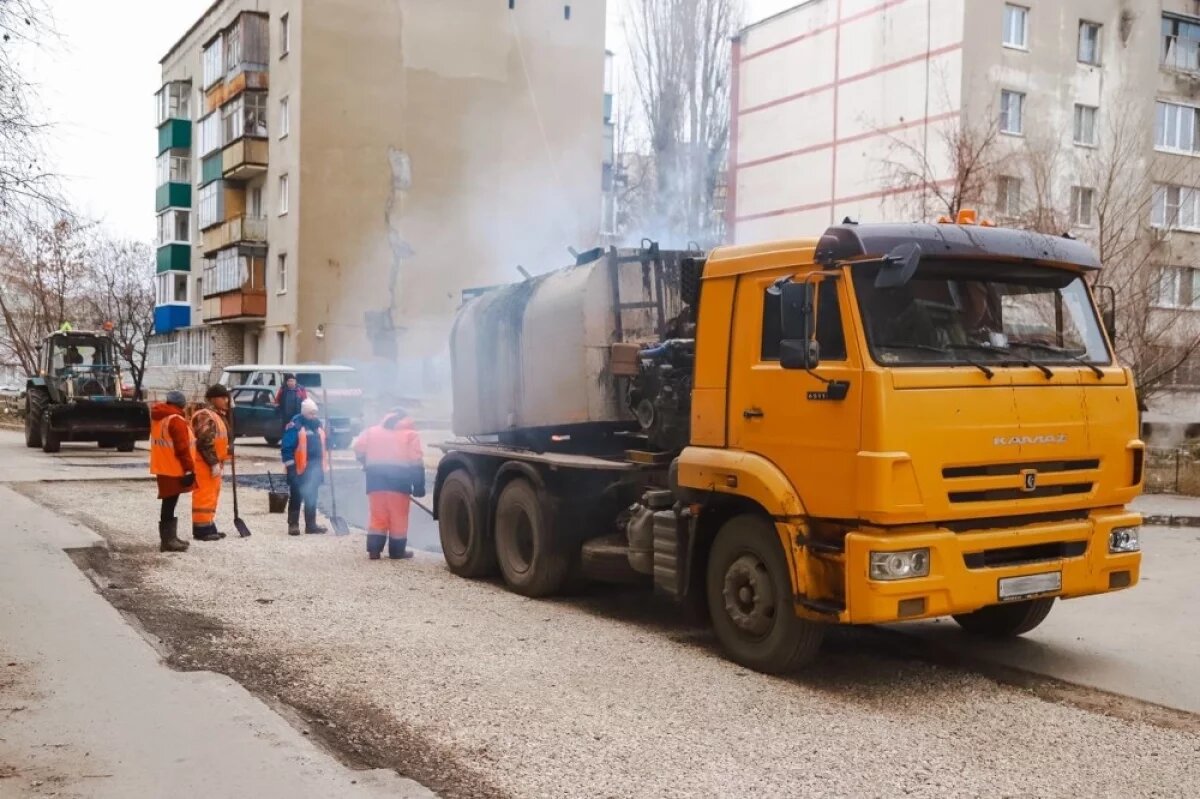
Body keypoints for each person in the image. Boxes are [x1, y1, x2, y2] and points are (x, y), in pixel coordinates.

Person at [351, 408, 425, 560]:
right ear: (406, 420)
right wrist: (418, 485)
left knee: (378, 516)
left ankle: (374, 551)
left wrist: (365, 462)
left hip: (375, 482)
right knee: (398, 517)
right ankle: (397, 552)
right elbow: (416, 461)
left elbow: (358, 447)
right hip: (399, 483)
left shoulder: (372, 431)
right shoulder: (410, 434)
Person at [149, 390, 195, 553]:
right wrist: (189, 469)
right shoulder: (176, 420)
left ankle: (170, 538)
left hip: (163, 466)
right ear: (181, 404)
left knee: (169, 502)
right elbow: (182, 448)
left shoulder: (159, 417)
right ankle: (168, 541)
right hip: (175, 468)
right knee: (170, 503)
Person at [191, 384, 233, 542]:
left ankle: (208, 525)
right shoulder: (205, 415)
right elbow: (204, 441)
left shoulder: (217, 415)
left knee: (212, 495)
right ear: (213, 399)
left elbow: (221, 439)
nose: (226, 401)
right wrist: (213, 462)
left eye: (227, 397)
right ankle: (201, 529)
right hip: (204, 463)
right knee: (204, 495)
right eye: (223, 398)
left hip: (213, 462)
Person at [281, 397, 328, 536]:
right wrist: (290, 468)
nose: (313, 416)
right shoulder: (295, 426)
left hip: (315, 469)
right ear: (304, 413)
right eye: (310, 413)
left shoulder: (318, 426)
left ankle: (311, 525)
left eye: (315, 413)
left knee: (312, 496)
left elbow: (324, 445)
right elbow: (286, 448)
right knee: (296, 496)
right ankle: (293, 525)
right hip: (299, 468)